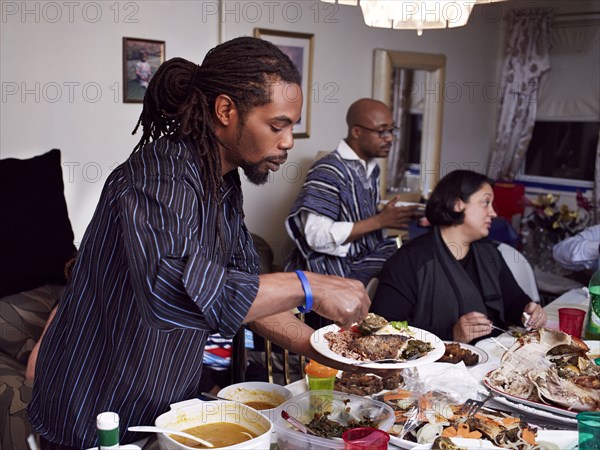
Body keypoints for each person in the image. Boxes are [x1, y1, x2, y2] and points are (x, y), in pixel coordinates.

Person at [28, 37, 371, 450]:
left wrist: (330, 351)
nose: (288, 142)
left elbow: (243, 294)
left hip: (164, 401)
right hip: (97, 405)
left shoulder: (222, 185)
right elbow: (170, 290)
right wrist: (309, 284)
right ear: (226, 111)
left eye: (291, 127)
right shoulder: (158, 175)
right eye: (277, 125)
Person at [370, 170, 546, 344]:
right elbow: (383, 329)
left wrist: (528, 311)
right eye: (485, 203)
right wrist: (450, 334)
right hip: (437, 366)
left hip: (493, 357)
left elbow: (513, 300)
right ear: (457, 205)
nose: (493, 213)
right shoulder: (409, 261)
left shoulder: (489, 252)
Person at [285, 98, 417, 287]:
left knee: (418, 254)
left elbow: (357, 215)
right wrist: (380, 221)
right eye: (382, 131)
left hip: (361, 256)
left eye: (392, 130)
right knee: (411, 267)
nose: (390, 138)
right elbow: (316, 238)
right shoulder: (328, 170)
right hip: (330, 268)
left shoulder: (372, 168)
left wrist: (387, 215)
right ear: (356, 131)